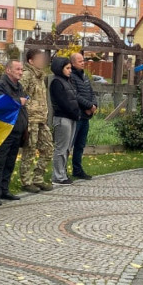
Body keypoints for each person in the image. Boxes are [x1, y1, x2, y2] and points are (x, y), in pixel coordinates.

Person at [0, 59, 28, 205]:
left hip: (17, 130)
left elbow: (22, 108)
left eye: (22, 69)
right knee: (0, 161)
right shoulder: (0, 85)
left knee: (10, 162)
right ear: (8, 70)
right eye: (18, 69)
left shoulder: (19, 86)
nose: (20, 72)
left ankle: (4, 189)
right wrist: (18, 101)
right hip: (4, 130)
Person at [18, 49, 53, 193]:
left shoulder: (40, 76)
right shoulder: (27, 75)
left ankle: (38, 178)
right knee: (30, 150)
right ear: (31, 61)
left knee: (48, 148)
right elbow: (19, 94)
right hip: (31, 119)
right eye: (39, 58)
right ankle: (26, 181)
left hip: (41, 119)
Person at [49, 56, 81, 185]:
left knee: (67, 148)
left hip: (71, 117)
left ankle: (62, 172)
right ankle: (58, 176)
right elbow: (63, 102)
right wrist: (73, 112)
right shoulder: (57, 82)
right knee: (61, 148)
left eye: (70, 68)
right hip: (63, 118)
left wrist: (76, 113)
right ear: (60, 68)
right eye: (67, 68)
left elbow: (74, 98)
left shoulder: (68, 81)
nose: (70, 70)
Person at [68, 51, 96, 180]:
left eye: (83, 60)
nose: (83, 63)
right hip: (78, 115)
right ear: (73, 63)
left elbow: (91, 92)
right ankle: (62, 171)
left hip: (86, 117)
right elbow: (75, 95)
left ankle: (77, 169)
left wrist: (94, 105)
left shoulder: (85, 76)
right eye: (80, 61)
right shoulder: (71, 77)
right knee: (70, 144)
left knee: (80, 145)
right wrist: (88, 106)